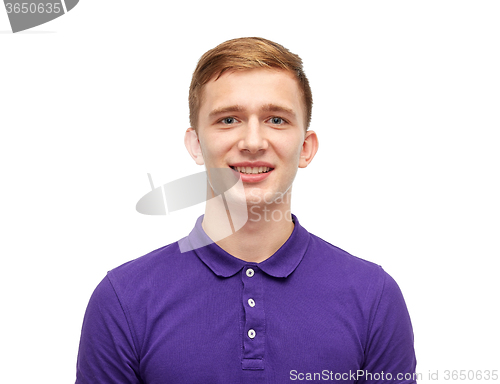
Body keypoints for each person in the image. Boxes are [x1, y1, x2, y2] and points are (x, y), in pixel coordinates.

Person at [75, 37, 417, 384]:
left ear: (306, 148)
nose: (253, 142)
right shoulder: (123, 299)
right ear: (195, 144)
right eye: (228, 120)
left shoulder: (374, 297)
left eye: (276, 120)